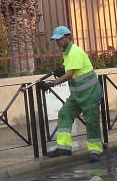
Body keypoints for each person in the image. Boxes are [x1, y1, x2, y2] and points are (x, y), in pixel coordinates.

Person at [40, 26, 104, 161]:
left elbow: (69, 75)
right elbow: (68, 69)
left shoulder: (74, 51)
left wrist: (52, 83)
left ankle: (95, 150)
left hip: (90, 94)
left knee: (91, 122)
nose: (58, 42)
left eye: (60, 39)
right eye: (56, 39)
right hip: (78, 96)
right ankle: (64, 147)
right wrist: (60, 70)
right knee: (65, 113)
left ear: (68, 37)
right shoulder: (67, 52)